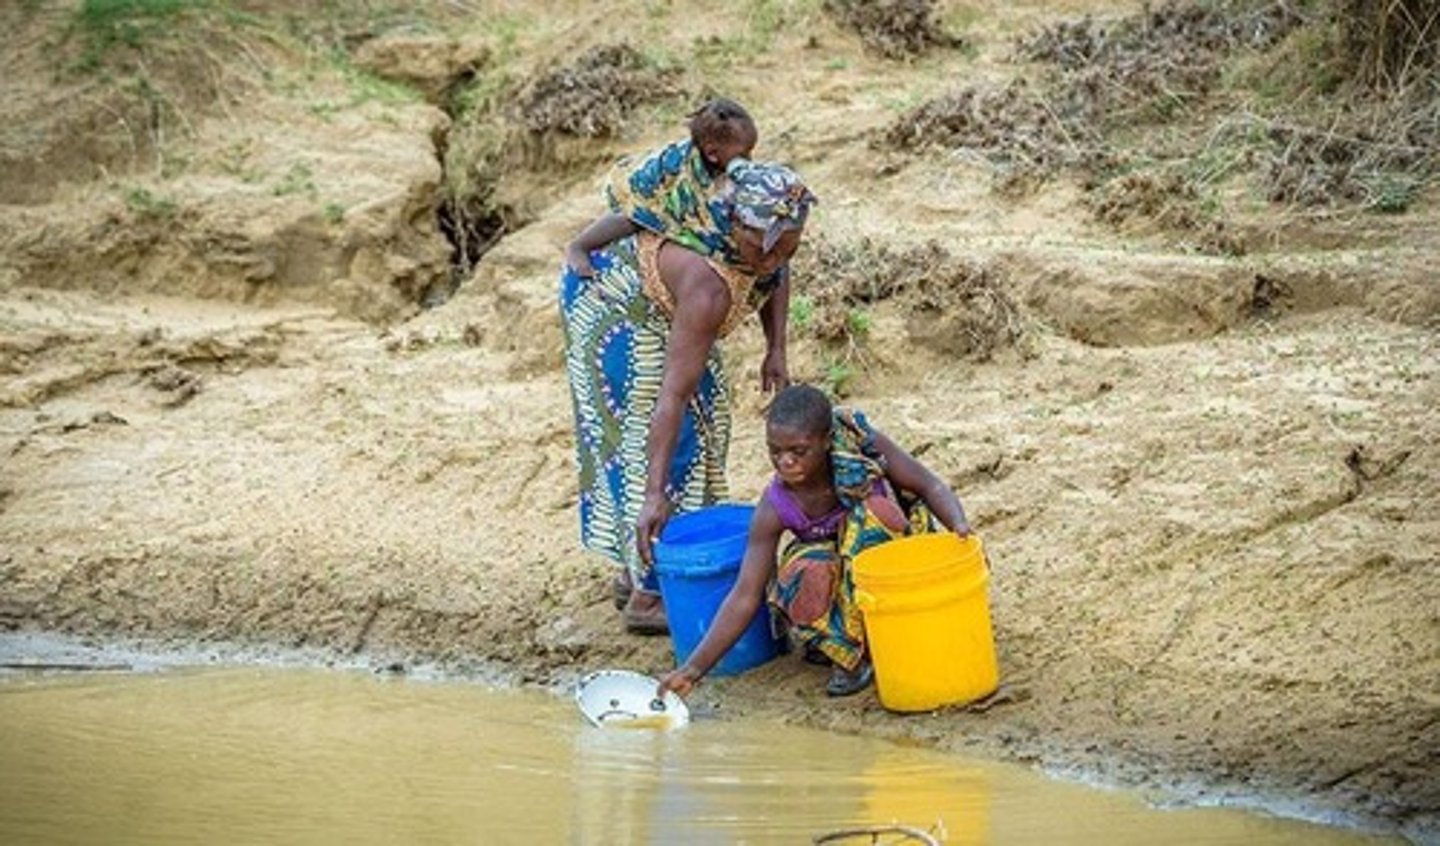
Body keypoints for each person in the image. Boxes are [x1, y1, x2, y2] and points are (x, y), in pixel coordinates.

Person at [559, 140, 818, 636]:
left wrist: (776, 348)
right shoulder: (707, 286)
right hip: (613, 302)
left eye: (790, 243)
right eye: (766, 243)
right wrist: (655, 493)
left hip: (668, 303)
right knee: (658, 442)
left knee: (712, 420)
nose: (777, 255)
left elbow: (774, 271)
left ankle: (652, 565)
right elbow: (670, 397)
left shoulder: (762, 240)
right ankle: (649, 590)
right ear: (736, 225)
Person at [656, 383, 973, 698]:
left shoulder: (859, 447)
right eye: (775, 451)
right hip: (839, 583)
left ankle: (887, 637)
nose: (785, 462)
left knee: (873, 517)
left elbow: (929, 485)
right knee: (801, 570)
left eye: (798, 451)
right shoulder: (774, 507)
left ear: (826, 441)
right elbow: (744, 595)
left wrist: (961, 530)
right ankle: (852, 657)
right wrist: (693, 670)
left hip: (891, 569)